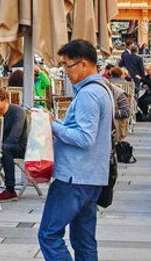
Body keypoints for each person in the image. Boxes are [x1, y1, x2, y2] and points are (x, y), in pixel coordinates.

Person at [39, 39, 113, 261]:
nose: (64, 71)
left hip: (73, 176)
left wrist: (51, 125)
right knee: (84, 240)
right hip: (93, 176)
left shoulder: (88, 94)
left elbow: (84, 138)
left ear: (83, 64)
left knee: (49, 234)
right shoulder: (102, 89)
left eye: (67, 65)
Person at [0, 88, 27, 203]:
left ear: (5, 100)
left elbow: (15, 137)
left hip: (20, 147)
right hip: (0, 146)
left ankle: (10, 189)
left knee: (6, 149)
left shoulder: (18, 112)